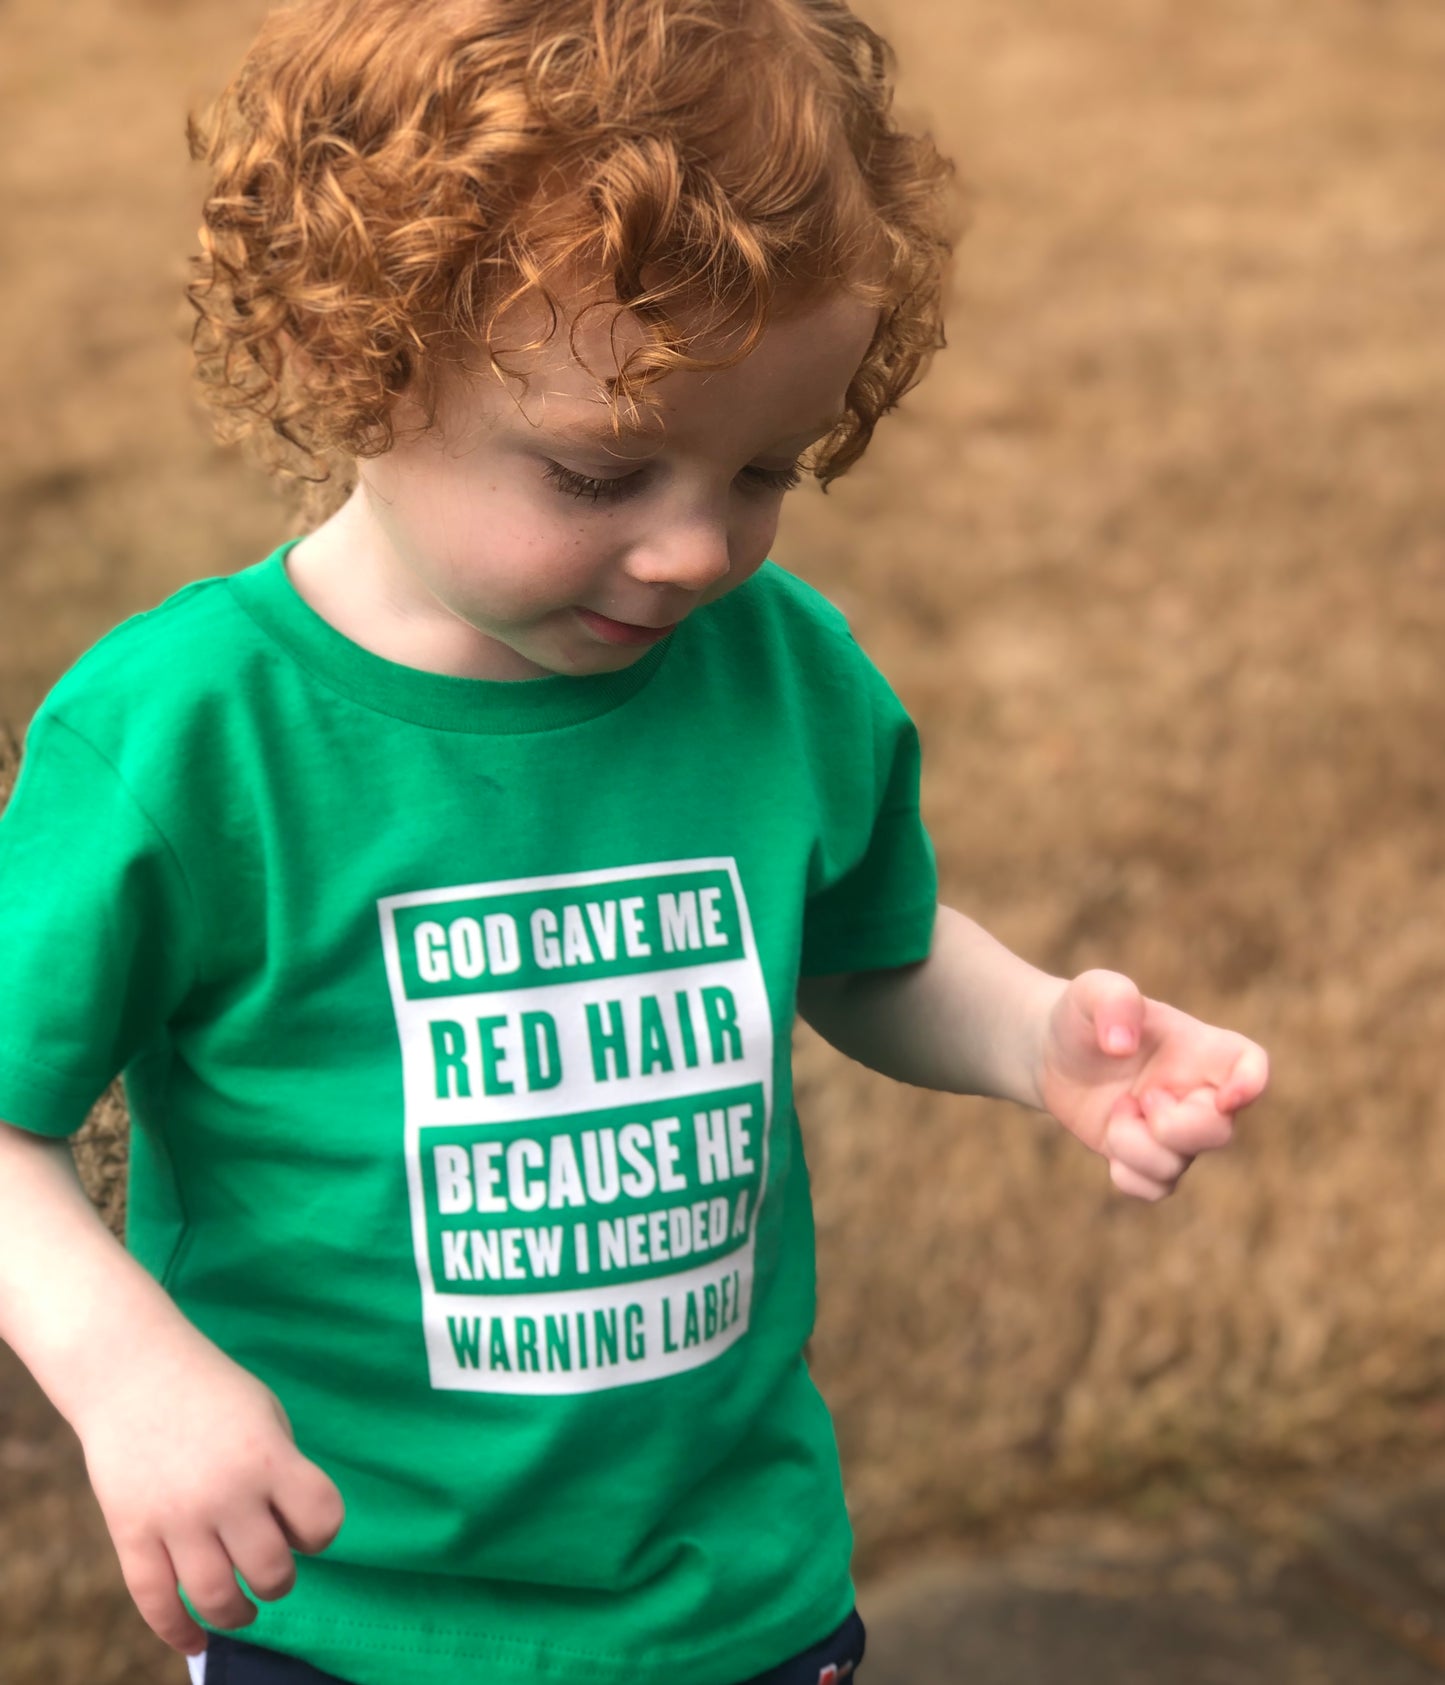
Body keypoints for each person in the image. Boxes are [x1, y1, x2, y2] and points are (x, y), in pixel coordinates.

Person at [0, 2, 1269, 1683]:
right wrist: (128, 1371)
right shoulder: (190, 737)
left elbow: (865, 949)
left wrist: (1040, 1037)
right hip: (354, 1607)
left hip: (732, 1591)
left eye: (763, 468)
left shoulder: (776, 671)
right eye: (600, 473)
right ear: (360, 357)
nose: (693, 551)